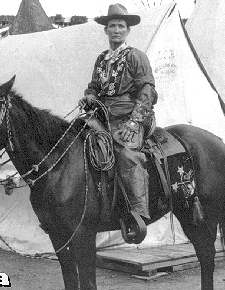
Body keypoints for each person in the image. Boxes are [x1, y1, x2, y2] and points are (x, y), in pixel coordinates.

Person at [79, 3, 158, 242]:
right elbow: (94, 86)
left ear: (127, 30)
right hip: (102, 116)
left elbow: (148, 90)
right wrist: (89, 96)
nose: (116, 30)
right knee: (78, 141)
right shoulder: (102, 59)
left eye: (120, 26)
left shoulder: (136, 56)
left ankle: (138, 214)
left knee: (126, 152)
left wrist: (134, 122)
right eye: (111, 26)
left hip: (130, 116)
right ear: (105, 30)